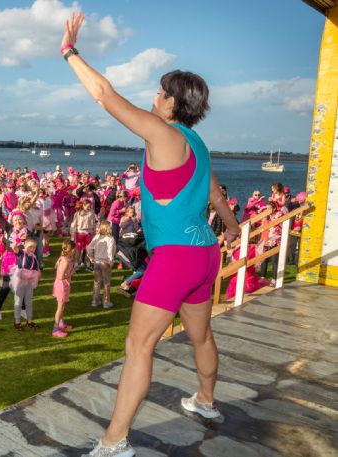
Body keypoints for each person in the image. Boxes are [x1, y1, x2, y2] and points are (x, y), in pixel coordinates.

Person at [61, 12, 240, 456]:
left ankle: (114, 441)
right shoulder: (198, 145)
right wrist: (234, 228)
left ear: (172, 104)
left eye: (160, 93)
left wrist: (69, 52)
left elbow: (104, 95)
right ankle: (206, 400)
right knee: (200, 336)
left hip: (176, 257)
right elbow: (216, 195)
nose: (155, 98)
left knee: (138, 346)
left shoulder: (162, 135)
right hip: (204, 253)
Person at [9, 238, 42, 331]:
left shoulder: (34, 257)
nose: (32, 249)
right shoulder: (21, 253)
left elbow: (36, 268)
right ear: (25, 246)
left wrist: (38, 275)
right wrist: (19, 238)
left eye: (34, 247)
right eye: (30, 246)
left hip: (30, 281)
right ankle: (17, 322)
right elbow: (14, 247)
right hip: (20, 280)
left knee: (29, 301)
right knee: (18, 301)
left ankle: (29, 321)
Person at [87, 221, 116, 308]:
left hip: (97, 262)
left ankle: (95, 301)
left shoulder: (97, 237)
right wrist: (111, 262)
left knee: (97, 282)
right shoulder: (110, 239)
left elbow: (89, 248)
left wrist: (91, 257)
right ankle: (106, 302)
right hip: (105, 262)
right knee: (107, 282)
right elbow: (110, 252)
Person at [52, 239, 76, 337]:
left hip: (62, 285)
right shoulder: (66, 261)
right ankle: (55, 329)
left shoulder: (63, 257)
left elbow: (55, 267)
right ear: (72, 250)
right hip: (62, 285)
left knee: (62, 306)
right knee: (60, 307)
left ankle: (61, 323)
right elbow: (61, 276)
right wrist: (71, 272)